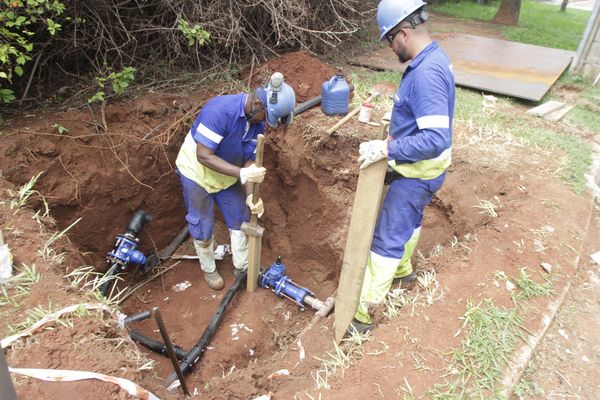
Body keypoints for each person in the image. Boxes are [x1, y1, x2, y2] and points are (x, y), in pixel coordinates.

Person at [351, 0, 455, 333]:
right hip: (424, 171)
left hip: (417, 173)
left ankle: (364, 315)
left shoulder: (426, 73)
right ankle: (402, 272)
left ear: (404, 33)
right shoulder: (433, 59)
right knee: (410, 223)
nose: (389, 47)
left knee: (386, 239)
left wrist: (387, 147)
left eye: (389, 40)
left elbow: (435, 138)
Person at [175, 72, 295, 290]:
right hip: (197, 173)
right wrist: (240, 173)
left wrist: (250, 195)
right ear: (257, 103)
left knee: (240, 219)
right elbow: (204, 155)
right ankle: (209, 269)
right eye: (266, 117)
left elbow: (249, 161)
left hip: (226, 174)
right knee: (202, 224)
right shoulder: (220, 111)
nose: (265, 124)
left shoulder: (256, 123)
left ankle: (241, 267)